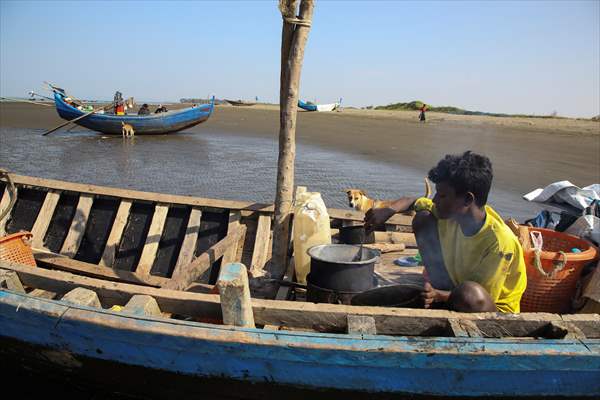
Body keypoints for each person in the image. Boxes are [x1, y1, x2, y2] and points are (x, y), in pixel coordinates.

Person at [364, 151, 527, 313]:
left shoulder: (499, 243)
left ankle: (440, 296)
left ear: (467, 200)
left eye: (442, 195)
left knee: (468, 292)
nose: (434, 200)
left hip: (490, 310)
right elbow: (412, 201)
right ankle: (439, 287)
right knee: (422, 218)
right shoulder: (454, 213)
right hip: (455, 287)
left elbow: (478, 297)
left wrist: (440, 296)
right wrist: (388, 210)